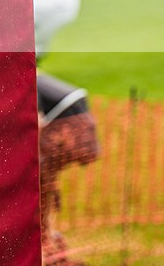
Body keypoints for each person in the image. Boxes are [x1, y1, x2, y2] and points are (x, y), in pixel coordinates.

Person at [37, 73, 99, 266]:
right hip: (79, 120)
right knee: (44, 187)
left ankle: (47, 248)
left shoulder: (20, 79)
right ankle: (49, 246)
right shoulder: (24, 73)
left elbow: (36, 121)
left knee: (41, 187)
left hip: (67, 127)